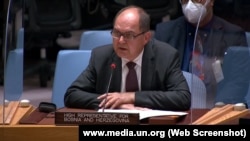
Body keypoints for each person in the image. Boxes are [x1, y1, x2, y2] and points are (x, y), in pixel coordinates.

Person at [64, 5, 191, 111]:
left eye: (129, 35)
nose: (120, 41)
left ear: (146, 38)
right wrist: (117, 104)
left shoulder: (165, 56)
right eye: (116, 33)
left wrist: (131, 97)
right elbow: (72, 94)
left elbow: (183, 98)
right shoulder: (101, 57)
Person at [154, 0, 248, 109]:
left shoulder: (233, 34)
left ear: (211, 2)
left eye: (196, 0)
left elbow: (238, 80)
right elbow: (157, 77)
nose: (190, 4)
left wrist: (218, 106)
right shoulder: (165, 32)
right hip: (176, 106)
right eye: (185, 0)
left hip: (217, 106)